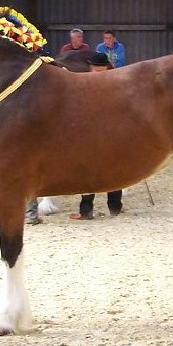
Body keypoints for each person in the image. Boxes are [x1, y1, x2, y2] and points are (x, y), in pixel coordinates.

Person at [69, 52, 123, 221]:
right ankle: (115, 207)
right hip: (112, 133)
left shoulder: (84, 82)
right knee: (114, 169)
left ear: (91, 66)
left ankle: (86, 210)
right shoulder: (116, 81)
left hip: (91, 135)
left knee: (87, 172)